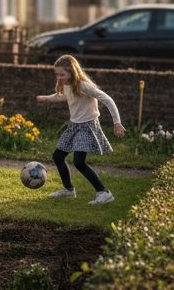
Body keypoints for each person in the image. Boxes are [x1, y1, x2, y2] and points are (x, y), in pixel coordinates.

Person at [35, 54, 125, 205]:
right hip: (74, 125)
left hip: (87, 126)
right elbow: (62, 96)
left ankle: (104, 193)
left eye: (62, 74)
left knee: (79, 162)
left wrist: (117, 123)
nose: (59, 77)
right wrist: (46, 98)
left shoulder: (84, 86)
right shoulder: (67, 84)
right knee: (58, 156)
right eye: (57, 74)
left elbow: (107, 99)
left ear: (72, 72)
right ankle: (68, 190)